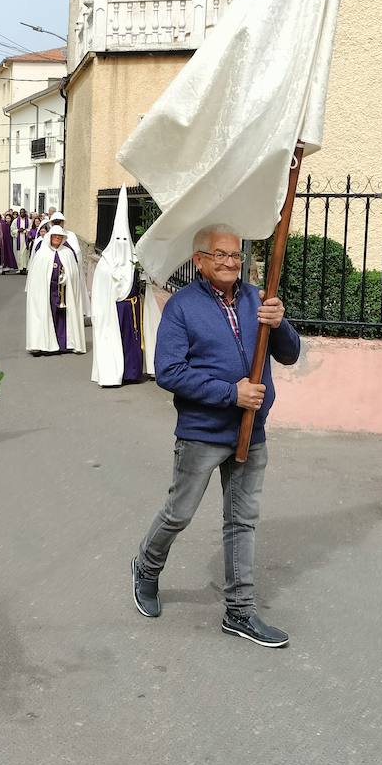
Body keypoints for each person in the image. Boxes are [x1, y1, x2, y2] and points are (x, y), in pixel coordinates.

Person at [131, 223, 300, 649]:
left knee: (241, 520)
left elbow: (290, 353)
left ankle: (239, 611)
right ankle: (147, 567)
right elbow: (168, 371)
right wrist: (231, 393)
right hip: (203, 433)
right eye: (220, 254)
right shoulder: (183, 307)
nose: (230, 262)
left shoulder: (256, 298)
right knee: (179, 512)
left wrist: (279, 323)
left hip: (252, 432)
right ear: (199, 260)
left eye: (235, 254)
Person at [91, 187, 161, 387]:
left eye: (125, 241)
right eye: (118, 241)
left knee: (133, 342)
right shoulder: (105, 264)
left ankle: (132, 373)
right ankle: (114, 373)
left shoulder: (135, 260)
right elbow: (99, 293)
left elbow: (146, 281)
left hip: (133, 308)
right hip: (114, 311)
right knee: (115, 341)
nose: (122, 245)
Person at [25, 225, 86, 355]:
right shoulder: (42, 254)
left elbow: (74, 274)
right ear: (50, 237)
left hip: (64, 292)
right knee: (45, 315)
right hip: (46, 292)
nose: (57, 238)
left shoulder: (68, 253)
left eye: (60, 237)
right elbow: (35, 278)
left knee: (63, 317)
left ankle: (64, 344)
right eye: (55, 236)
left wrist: (66, 277)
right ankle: (43, 344)